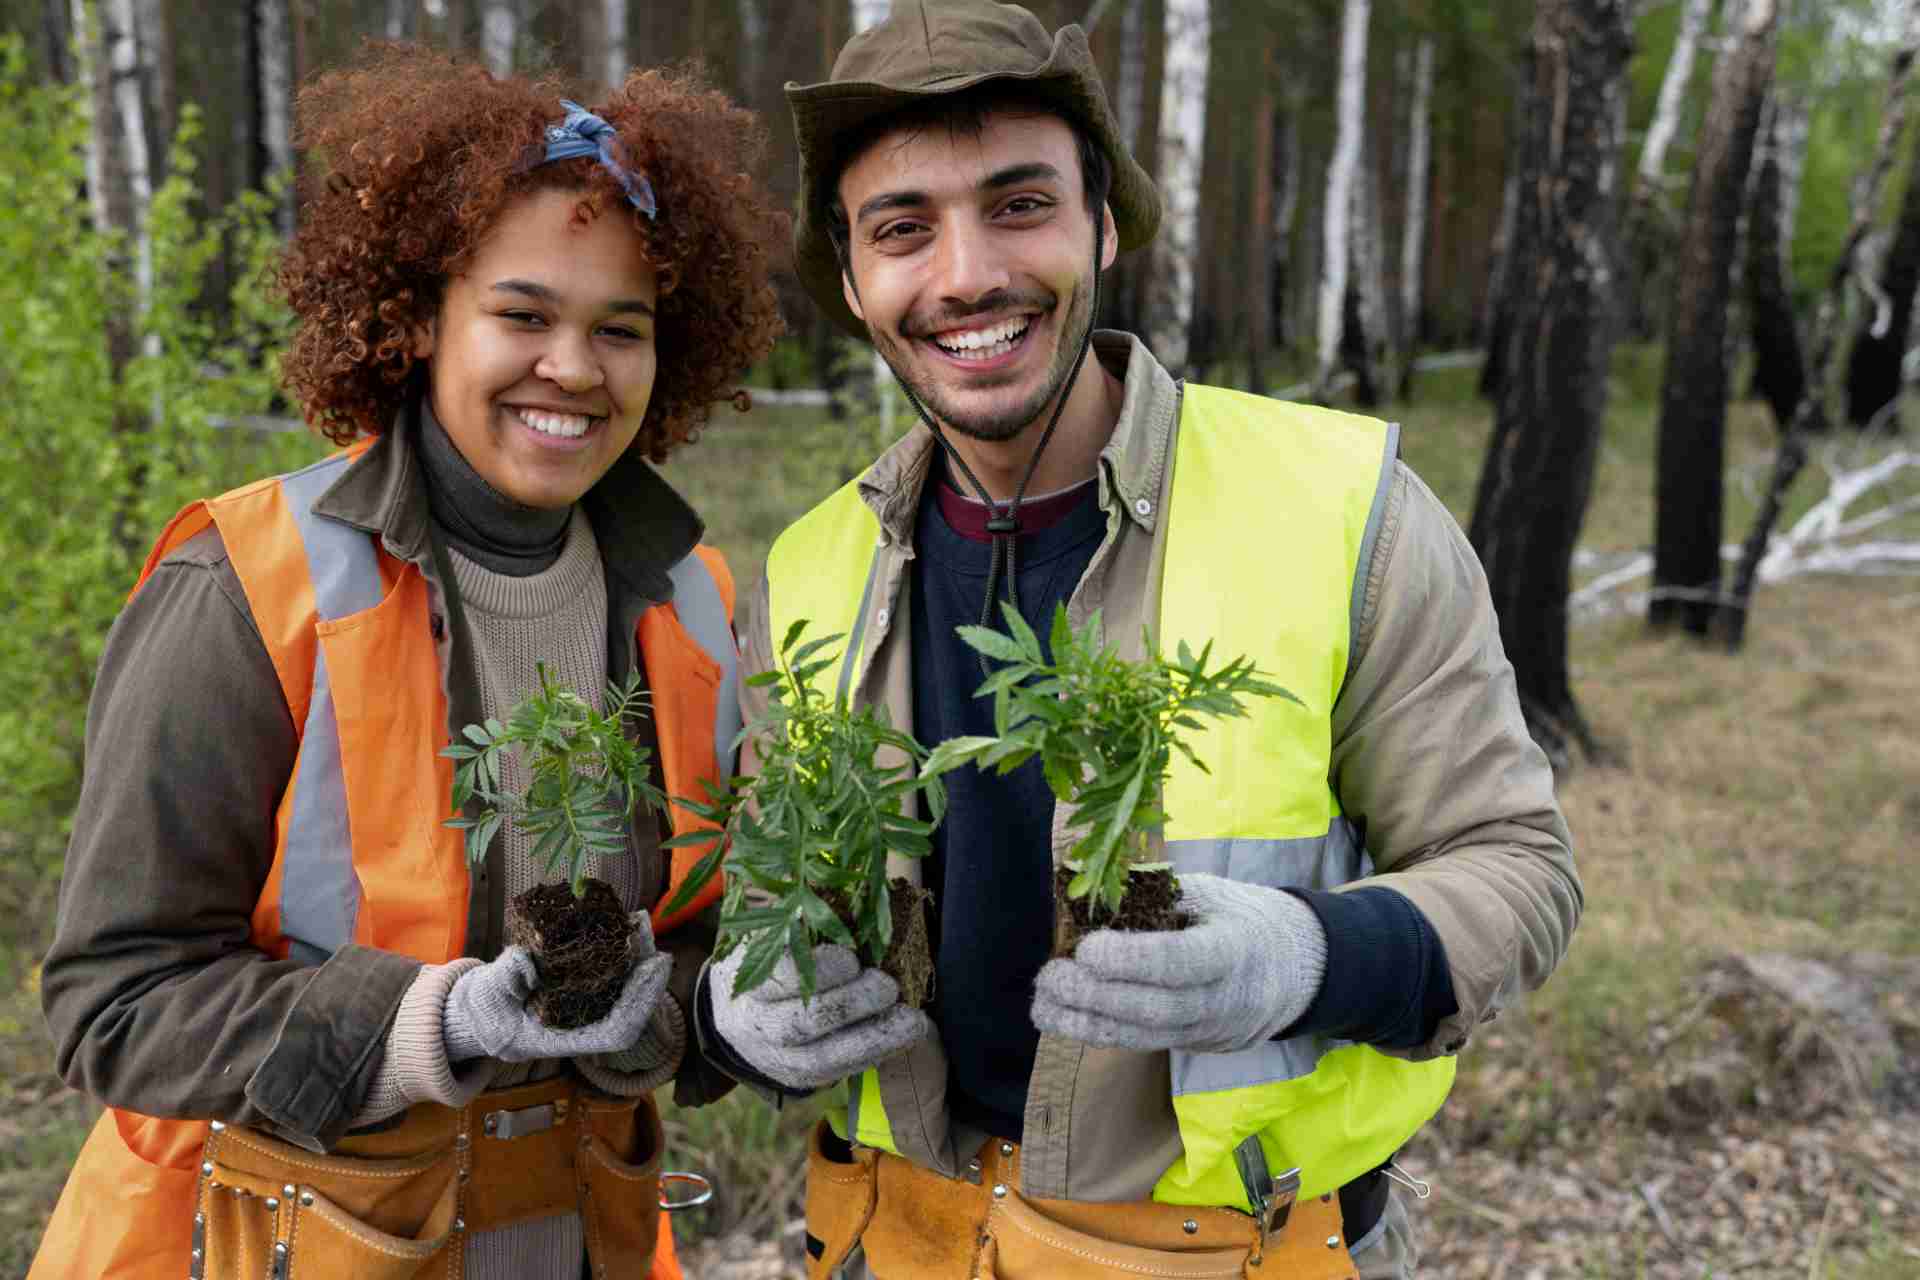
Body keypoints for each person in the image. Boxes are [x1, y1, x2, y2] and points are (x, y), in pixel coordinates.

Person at [696, 3, 1582, 1277]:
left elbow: (1518, 868)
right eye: (902, 229)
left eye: (1019, 204)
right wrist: (746, 994)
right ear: (849, 280)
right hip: (900, 1239)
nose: (963, 276)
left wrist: (1303, 958)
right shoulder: (809, 567)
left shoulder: (1340, 506)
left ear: (1104, 221)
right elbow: (775, 882)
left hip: (1239, 1248)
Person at [31, 45, 784, 1280]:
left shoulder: (691, 601)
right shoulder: (245, 581)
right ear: (420, 314)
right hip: (270, 1237)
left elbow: (687, 941)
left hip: (576, 1234)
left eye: (621, 328)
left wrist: (717, 1013)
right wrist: (414, 1025)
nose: (575, 369)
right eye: (523, 313)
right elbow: (116, 999)